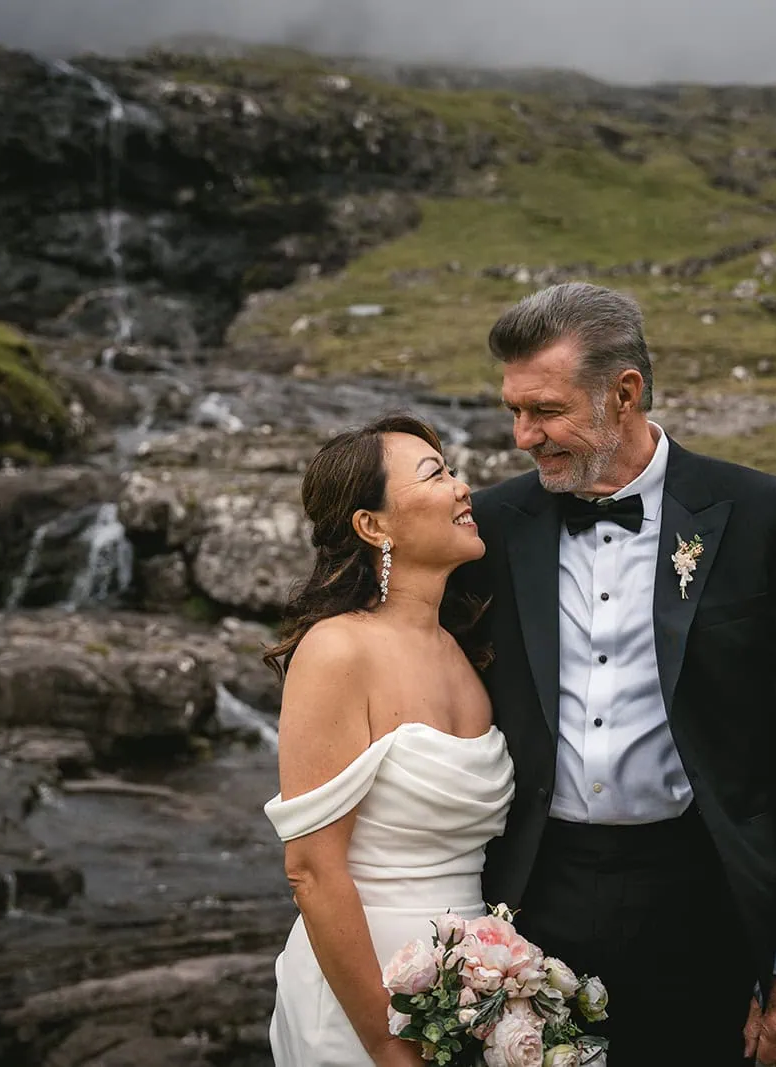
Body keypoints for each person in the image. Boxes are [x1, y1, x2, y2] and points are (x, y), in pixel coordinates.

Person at [455, 281, 776, 1066]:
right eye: (514, 409)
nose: (522, 435)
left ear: (625, 394)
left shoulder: (763, 515)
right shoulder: (492, 525)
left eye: (545, 409)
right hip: (530, 892)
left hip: (700, 898)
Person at [261, 413, 515, 1067]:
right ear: (373, 525)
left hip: (470, 989)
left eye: (453, 470)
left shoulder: (462, 654)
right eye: (437, 474)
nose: (464, 488)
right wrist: (384, 1038)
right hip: (362, 1002)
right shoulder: (337, 648)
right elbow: (312, 870)